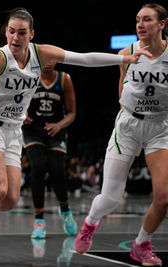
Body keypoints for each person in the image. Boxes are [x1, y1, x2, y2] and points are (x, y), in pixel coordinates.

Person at [0, 7, 151, 260]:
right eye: (11, 31)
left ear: (31, 34)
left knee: (9, 200)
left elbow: (84, 58)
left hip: (13, 131)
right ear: (6, 32)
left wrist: (123, 60)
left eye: (21, 32)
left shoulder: (41, 54)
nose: (15, 38)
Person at [74, 3, 168, 267]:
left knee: (164, 198)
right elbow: (122, 81)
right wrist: (123, 105)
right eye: (138, 19)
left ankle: (141, 245)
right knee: (111, 198)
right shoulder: (126, 52)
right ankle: (91, 223)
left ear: (162, 24)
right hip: (128, 127)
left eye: (147, 20)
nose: (140, 24)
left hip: (160, 128)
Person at [21, 60, 77, 239]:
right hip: (33, 131)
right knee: (38, 167)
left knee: (56, 171)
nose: (47, 62)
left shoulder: (64, 79)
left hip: (56, 131)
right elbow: (18, 103)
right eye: (44, 58)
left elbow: (71, 113)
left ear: (57, 61)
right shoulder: (30, 76)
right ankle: (39, 221)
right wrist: (24, 115)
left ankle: (65, 210)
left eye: (51, 58)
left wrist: (59, 125)